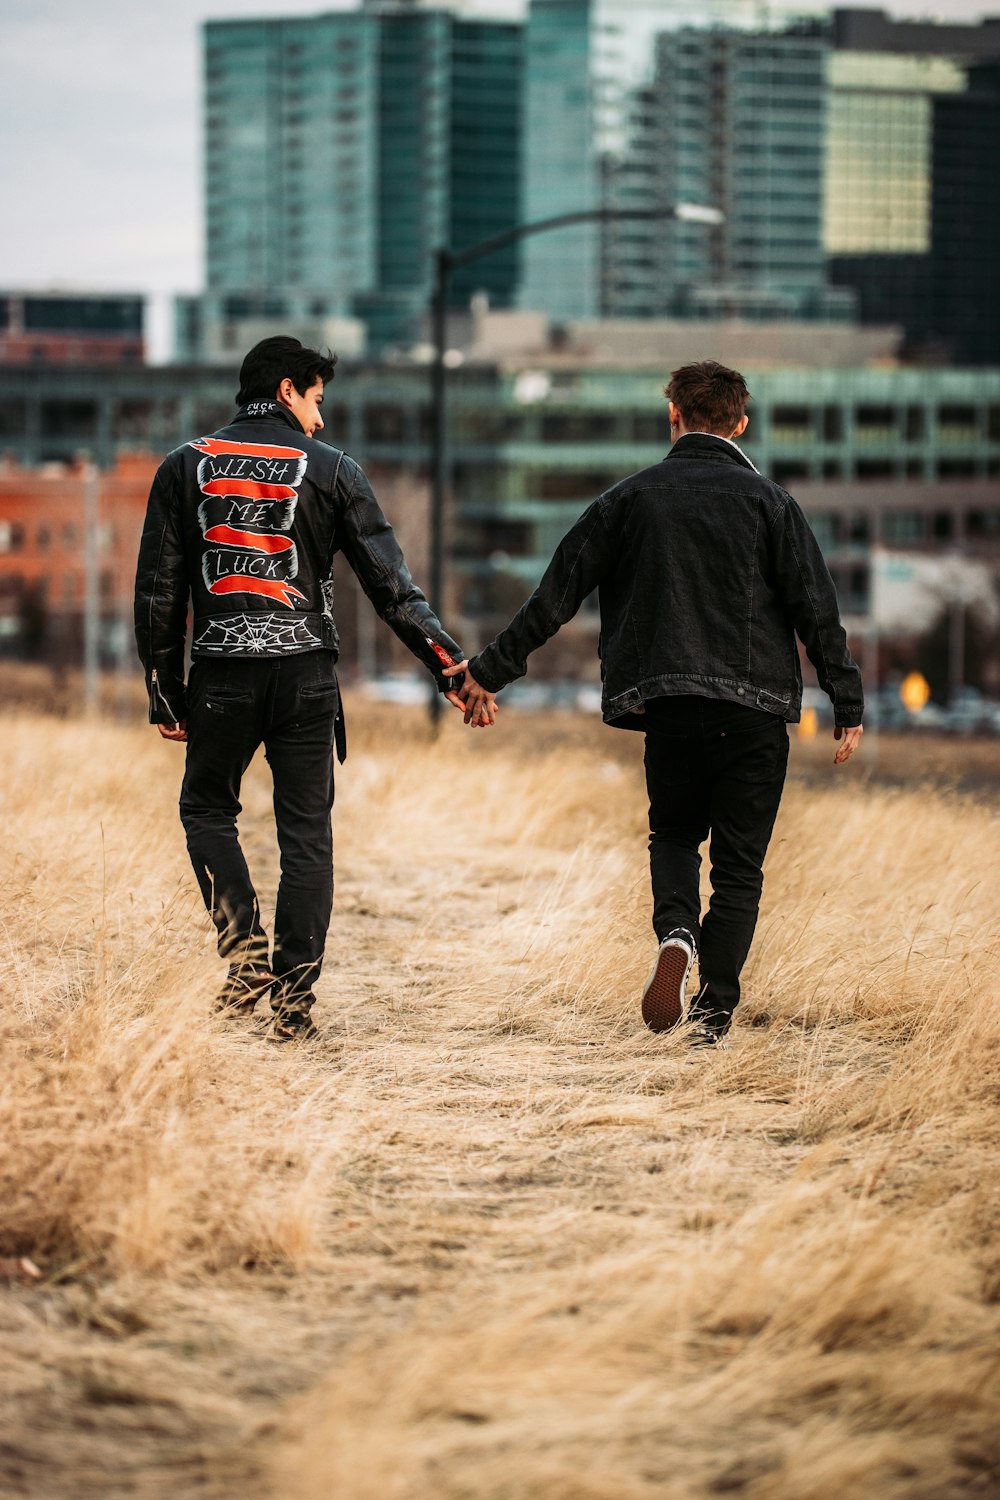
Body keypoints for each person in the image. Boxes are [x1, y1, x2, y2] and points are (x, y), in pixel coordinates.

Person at [449, 360, 863, 1048]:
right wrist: (845, 697)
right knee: (739, 867)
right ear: (741, 423)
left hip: (667, 704)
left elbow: (555, 595)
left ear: (673, 416)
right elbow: (817, 611)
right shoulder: (772, 504)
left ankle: (676, 933)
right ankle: (713, 1017)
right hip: (753, 709)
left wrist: (487, 673)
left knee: (673, 835)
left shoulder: (628, 500)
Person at [134, 336, 468, 1040]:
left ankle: (245, 950)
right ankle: (292, 1008)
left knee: (206, 809)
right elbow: (393, 590)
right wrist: (451, 667)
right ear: (288, 390)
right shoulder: (335, 469)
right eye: (317, 400)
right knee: (306, 839)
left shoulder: (182, 467)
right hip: (306, 676)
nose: (321, 418)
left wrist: (166, 691)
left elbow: (160, 592)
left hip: (221, 672)